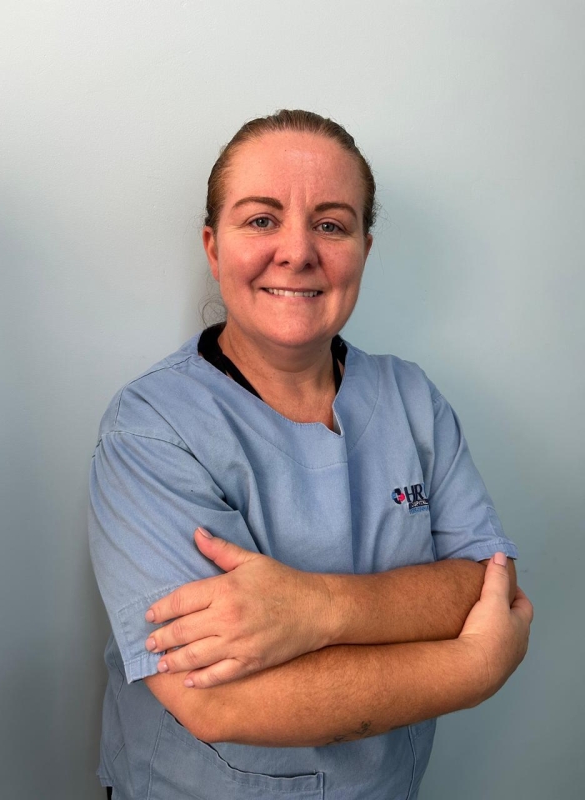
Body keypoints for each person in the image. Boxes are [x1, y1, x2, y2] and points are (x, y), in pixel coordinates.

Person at [88, 109, 532, 800]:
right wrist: (474, 668)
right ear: (213, 247)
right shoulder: (150, 430)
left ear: (363, 249)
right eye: (262, 219)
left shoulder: (413, 399)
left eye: (330, 224)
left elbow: (488, 586)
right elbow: (216, 699)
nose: (297, 252)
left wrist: (314, 607)